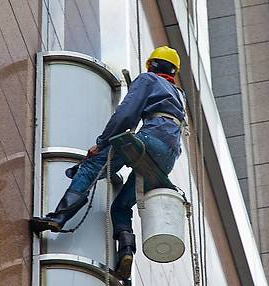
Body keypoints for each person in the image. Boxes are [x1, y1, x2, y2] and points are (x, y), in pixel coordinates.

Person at [30, 46, 186, 280]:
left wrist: (102, 143)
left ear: (152, 65)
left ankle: (58, 218)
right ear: (173, 71)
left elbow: (126, 113)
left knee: (91, 167)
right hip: (168, 157)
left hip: (149, 140)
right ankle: (126, 253)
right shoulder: (179, 95)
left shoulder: (148, 79)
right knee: (121, 207)